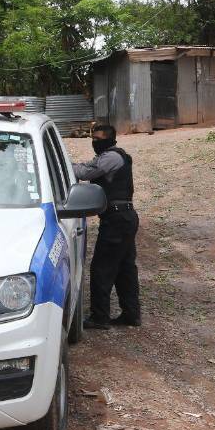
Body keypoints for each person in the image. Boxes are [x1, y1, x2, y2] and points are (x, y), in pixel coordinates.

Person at [72, 124, 140, 329]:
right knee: (125, 269)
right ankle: (131, 314)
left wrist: (62, 164)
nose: (95, 142)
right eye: (94, 138)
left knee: (102, 269)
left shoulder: (111, 157)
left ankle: (99, 317)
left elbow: (85, 172)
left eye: (99, 138)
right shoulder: (109, 156)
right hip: (123, 218)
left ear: (111, 139)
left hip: (117, 220)